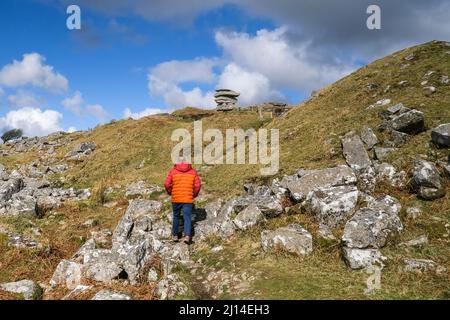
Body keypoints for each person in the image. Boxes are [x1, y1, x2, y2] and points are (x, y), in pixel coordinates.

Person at [164, 161, 201, 244]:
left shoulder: (173, 171)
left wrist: (171, 192)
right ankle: (187, 236)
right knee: (187, 217)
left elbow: (166, 184)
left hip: (176, 198)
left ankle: (175, 235)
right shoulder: (193, 172)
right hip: (188, 198)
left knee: (176, 216)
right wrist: (193, 194)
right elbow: (198, 185)